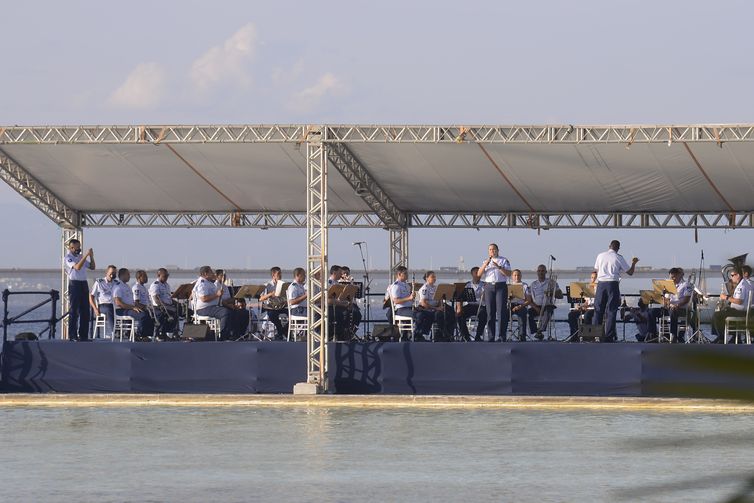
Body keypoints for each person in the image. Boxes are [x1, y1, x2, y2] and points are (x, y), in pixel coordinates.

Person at [592, 240, 638, 342]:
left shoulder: (600, 255)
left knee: (598, 309)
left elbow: (596, 269)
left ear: (609, 246)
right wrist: (633, 263)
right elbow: (630, 272)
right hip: (612, 284)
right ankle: (609, 336)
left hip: (601, 284)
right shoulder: (619, 257)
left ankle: (595, 335)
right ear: (618, 248)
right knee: (611, 310)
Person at [647, 268, 692, 343]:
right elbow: (667, 299)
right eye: (671, 277)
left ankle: (673, 335)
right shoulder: (668, 285)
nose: (673, 279)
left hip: (680, 308)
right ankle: (652, 334)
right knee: (651, 312)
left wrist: (676, 305)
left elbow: (686, 299)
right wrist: (663, 300)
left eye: (674, 277)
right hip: (669, 307)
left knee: (673, 311)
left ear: (679, 275)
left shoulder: (686, 285)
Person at [64, 239, 95, 341]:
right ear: (71, 248)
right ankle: (72, 335)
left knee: (85, 310)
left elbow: (92, 267)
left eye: (79, 246)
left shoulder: (80, 257)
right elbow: (77, 267)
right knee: (74, 310)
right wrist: (85, 255)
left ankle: (83, 335)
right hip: (74, 284)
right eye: (77, 247)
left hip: (83, 283)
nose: (79, 249)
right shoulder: (68, 257)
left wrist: (91, 256)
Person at [479, 243, 511, 342]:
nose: (492, 251)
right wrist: (486, 264)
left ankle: (501, 336)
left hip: (500, 286)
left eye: (493, 249)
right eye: (490, 250)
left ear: (497, 250)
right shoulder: (485, 261)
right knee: (490, 313)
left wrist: (498, 267)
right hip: (489, 286)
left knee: (501, 312)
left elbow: (509, 273)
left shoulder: (504, 260)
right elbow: (479, 274)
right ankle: (491, 337)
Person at [113, 268, 154, 341]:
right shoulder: (118, 286)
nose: (129, 276)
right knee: (142, 315)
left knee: (148, 314)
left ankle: (146, 335)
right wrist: (132, 307)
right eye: (127, 274)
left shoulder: (127, 286)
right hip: (121, 310)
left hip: (129, 308)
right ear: (122, 275)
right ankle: (139, 335)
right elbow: (118, 302)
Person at [712, 268, 752, 343]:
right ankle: (732, 337)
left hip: (740, 312)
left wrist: (726, 297)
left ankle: (721, 338)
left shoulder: (742, 285)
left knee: (717, 315)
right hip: (742, 311)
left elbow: (739, 301)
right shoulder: (743, 284)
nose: (731, 277)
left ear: (738, 275)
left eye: (732, 275)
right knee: (722, 312)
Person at [192, 265, 231, 340]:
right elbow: (203, 298)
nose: (213, 273)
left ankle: (231, 334)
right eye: (211, 272)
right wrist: (217, 295)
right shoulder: (202, 283)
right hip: (204, 309)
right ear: (206, 274)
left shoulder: (208, 282)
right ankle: (222, 337)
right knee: (225, 312)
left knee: (231, 312)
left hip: (211, 307)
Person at [528, 264, 563, 340]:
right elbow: (529, 300)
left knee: (548, 311)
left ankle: (540, 331)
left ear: (546, 272)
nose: (541, 272)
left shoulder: (551, 282)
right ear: (537, 272)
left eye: (543, 271)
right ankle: (534, 331)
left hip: (547, 305)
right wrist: (535, 307)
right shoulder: (533, 284)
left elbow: (560, 295)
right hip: (536, 306)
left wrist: (551, 293)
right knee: (528, 313)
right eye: (539, 271)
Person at [417, 271, 455, 341]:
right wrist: (437, 308)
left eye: (435, 277)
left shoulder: (435, 288)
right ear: (427, 278)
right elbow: (423, 303)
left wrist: (441, 306)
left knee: (450, 311)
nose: (434, 278)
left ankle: (450, 333)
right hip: (428, 309)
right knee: (439, 314)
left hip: (436, 308)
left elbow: (439, 299)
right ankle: (441, 333)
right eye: (432, 277)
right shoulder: (425, 288)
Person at [215, 269, 248, 339]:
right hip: (220, 307)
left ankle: (240, 334)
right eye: (222, 276)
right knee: (233, 313)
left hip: (227, 305)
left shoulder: (225, 286)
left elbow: (229, 299)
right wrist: (227, 304)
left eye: (225, 276)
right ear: (217, 276)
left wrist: (234, 301)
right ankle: (229, 334)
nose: (224, 277)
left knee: (245, 312)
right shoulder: (215, 285)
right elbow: (218, 300)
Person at [456, 267, 487, 341]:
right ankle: (465, 336)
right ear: (472, 274)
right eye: (476, 273)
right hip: (470, 306)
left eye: (479, 273)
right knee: (460, 315)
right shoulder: (468, 285)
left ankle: (478, 336)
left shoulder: (484, 285)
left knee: (483, 314)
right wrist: (459, 308)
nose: (477, 274)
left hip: (480, 306)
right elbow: (460, 298)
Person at [389, 265, 418, 340]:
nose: (407, 275)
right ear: (399, 274)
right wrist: (409, 298)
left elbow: (410, 298)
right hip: (401, 309)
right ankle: (415, 334)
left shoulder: (406, 285)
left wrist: (412, 296)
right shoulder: (396, 286)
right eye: (405, 273)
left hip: (408, 308)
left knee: (425, 314)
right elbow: (396, 300)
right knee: (418, 315)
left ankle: (411, 334)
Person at [88, 264, 117, 338]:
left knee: (121, 309)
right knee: (110, 308)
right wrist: (95, 309)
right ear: (106, 272)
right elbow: (91, 296)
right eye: (111, 273)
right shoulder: (99, 282)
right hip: (103, 306)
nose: (112, 275)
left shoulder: (116, 283)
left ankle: (125, 332)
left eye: (114, 273)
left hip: (115, 305)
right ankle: (114, 332)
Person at [567, 271, 597, 340]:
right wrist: (580, 306)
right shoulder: (588, 288)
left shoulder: (599, 289)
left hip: (594, 309)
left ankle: (588, 336)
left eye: (595, 278)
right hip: (587, 308)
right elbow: (587, 302)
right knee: (571, 315)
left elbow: (598, 303)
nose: (593, 279)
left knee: (587, 315)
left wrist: (587, 306)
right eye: (592, 278)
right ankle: (574, 336)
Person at [260, 267, 287, 340]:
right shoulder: (267, 285)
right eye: (278, 274)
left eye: (280, 273)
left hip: (281, 306)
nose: (280, 275)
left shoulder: (283, 284)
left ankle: (282, 332)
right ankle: (282, 332)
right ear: (273, 275)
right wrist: (271, 294)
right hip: (271, 307)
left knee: (292, 314)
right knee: (272, 315)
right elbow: (261, 298)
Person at [149, 268, 178, 338]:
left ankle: (169, 332)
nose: (166, 278)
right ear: (159, 275)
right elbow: (156, 299)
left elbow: (169, 298)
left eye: (167, 276)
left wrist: (177, 303)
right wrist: (166, 306)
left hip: (168, 305)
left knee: (182, 310)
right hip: (158, 306)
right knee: (172, 312)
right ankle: (159, 333)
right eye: (164, 276)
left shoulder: (166, 285)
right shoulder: (155, 285)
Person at [508, 269, 531, 342]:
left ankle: (522, 336)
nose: (517, 277)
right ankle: (503, 335)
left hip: (521, 305)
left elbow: (529, 300)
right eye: (515, 275)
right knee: (503, 315)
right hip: (510, 305)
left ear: (521, 276)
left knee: (522, 315)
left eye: (518, 275)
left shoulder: (524, 285)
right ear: (512, 276)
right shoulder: (508, 285)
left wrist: (520, 306)